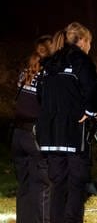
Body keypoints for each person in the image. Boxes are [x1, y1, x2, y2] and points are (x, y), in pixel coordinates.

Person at [36, 22, 97, 223]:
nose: (90, 47)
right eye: (90, 42)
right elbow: (92, 90)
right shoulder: (81, 60)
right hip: (74, 133)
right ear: (82, 40)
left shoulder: (49, 62)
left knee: (57, 184)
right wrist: (89, 111)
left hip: (50, 135)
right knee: (76, 184)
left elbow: (40, 95)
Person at [11, 35, 53, 223]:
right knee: (44, 184)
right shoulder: (47, 75)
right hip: (35, 135)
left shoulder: (26, 71)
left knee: (25, 184)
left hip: (17, 135)